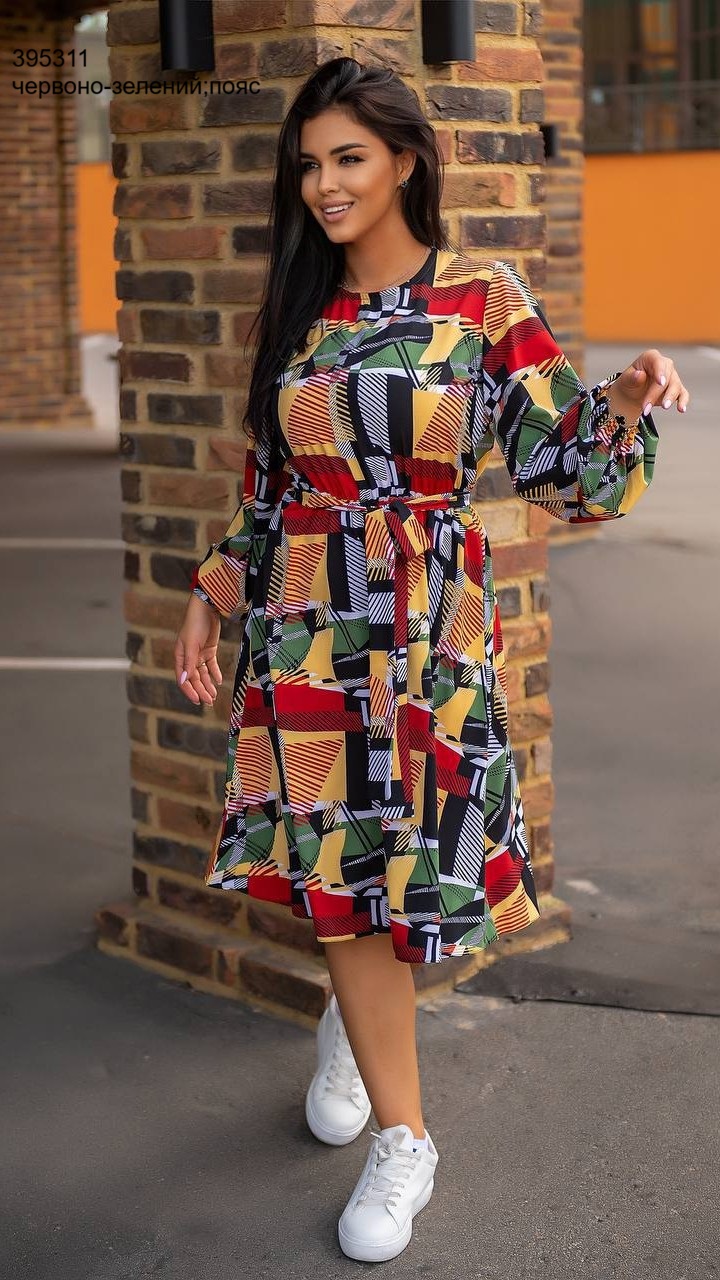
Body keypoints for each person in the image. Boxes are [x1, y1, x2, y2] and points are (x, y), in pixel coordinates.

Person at [173, 57, 689, 1264]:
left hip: (424, 629)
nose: (325, 184)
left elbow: (566, 474)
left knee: (406, 875)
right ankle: (408, 1136)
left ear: (406, 160)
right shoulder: (296, 311)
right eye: (310, 163)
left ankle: (358, 1031)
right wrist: (212, 594)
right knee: (339, 861)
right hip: (309, 627)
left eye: (349, 157)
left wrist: (620, 400)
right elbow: (267, 492)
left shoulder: (482, 301)